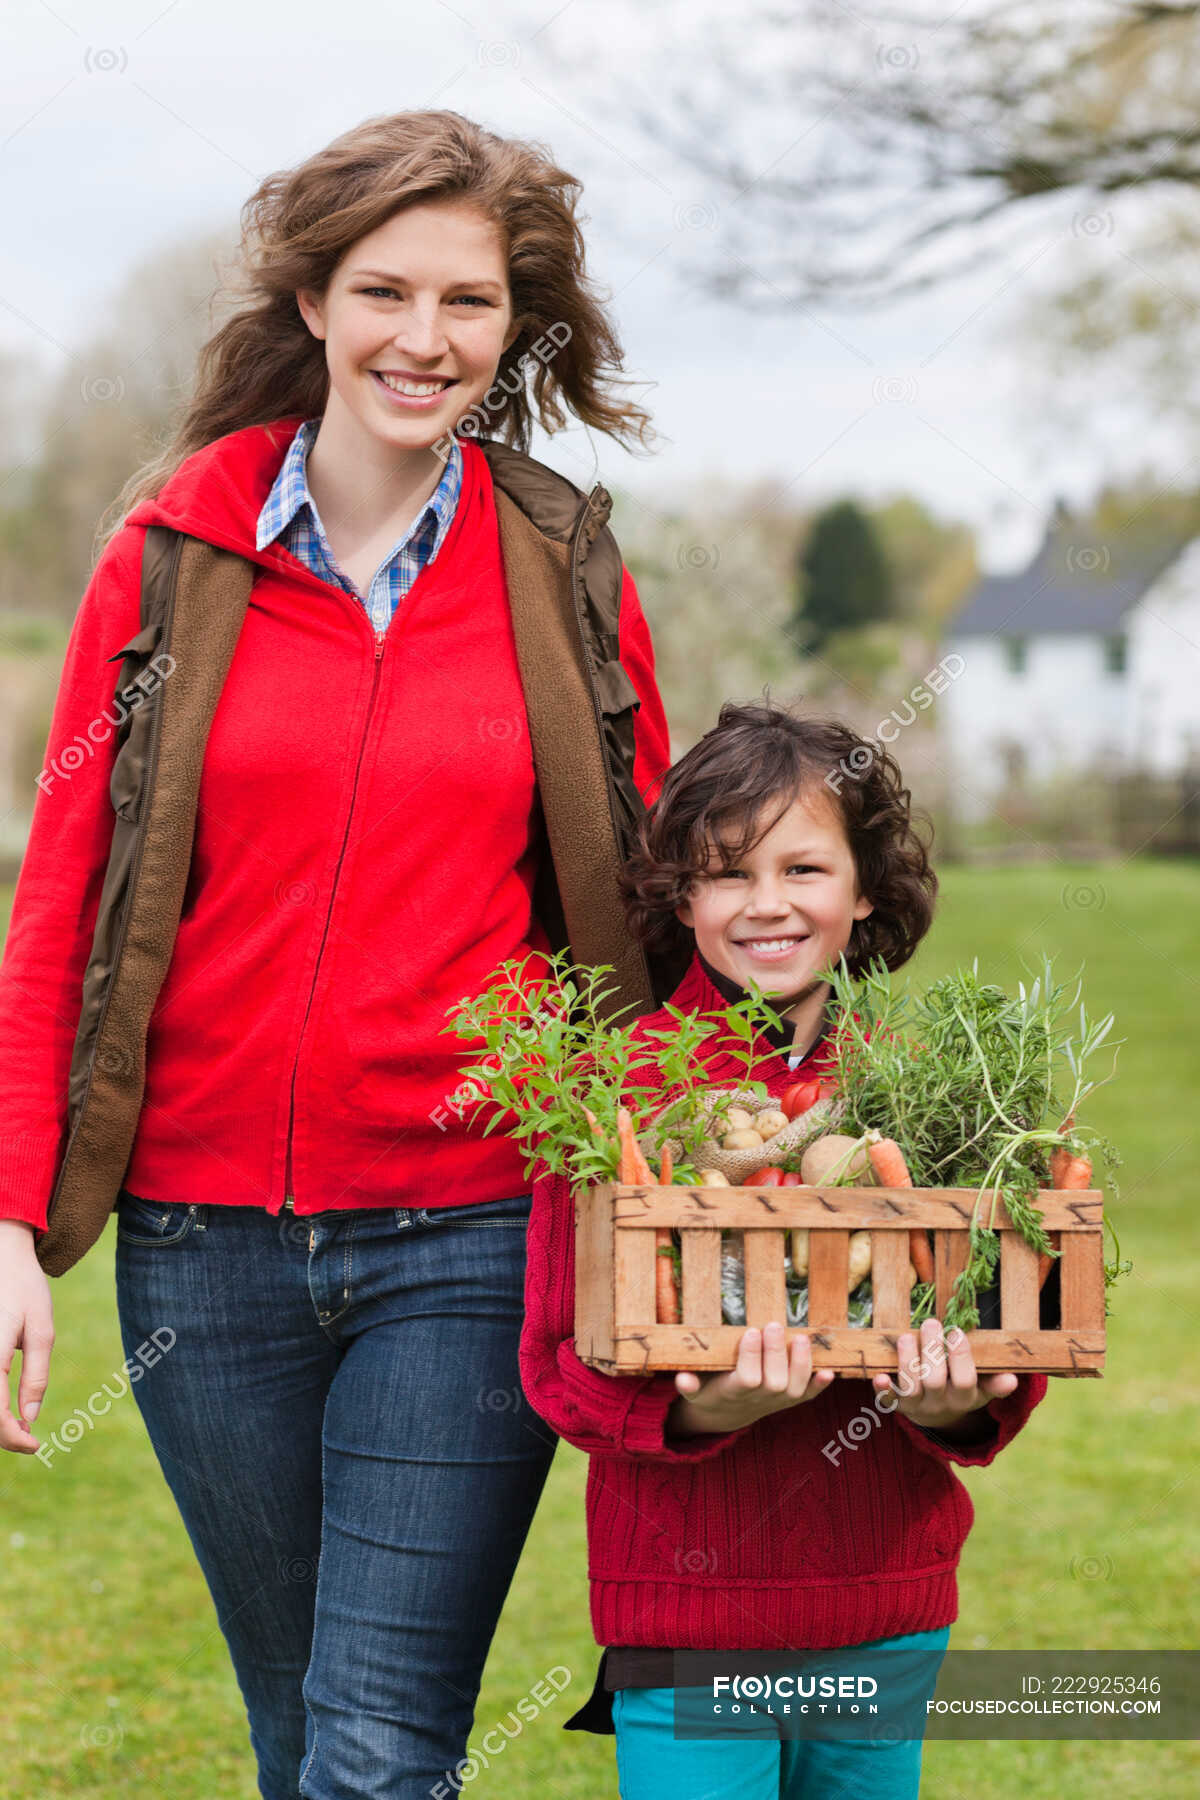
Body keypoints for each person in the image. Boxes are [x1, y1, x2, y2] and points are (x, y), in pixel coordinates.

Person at [0, 110, 675, 1799]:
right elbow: (61, 902)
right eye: (386, 292)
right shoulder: (169, 559)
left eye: (470, 301)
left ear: (513, 324)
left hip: (469, 1236)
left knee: (378, 1749)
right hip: (198, 1256)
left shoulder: (565, 568)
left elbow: (649, 907)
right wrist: (12, 1218)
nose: (425, 340)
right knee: (303, 1731)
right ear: (311, 301)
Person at [519, 700, 1049, 1800]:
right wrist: (709, 1408)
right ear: (683, 898)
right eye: (725, 873)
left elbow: (1010, 1341)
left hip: (884, 1599)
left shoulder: (936, 1087)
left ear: (865, 891)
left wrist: (947, 1400)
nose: (767, 905)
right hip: (687, 1609)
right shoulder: (620, 1094)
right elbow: (558, 1366)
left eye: (804, 869)